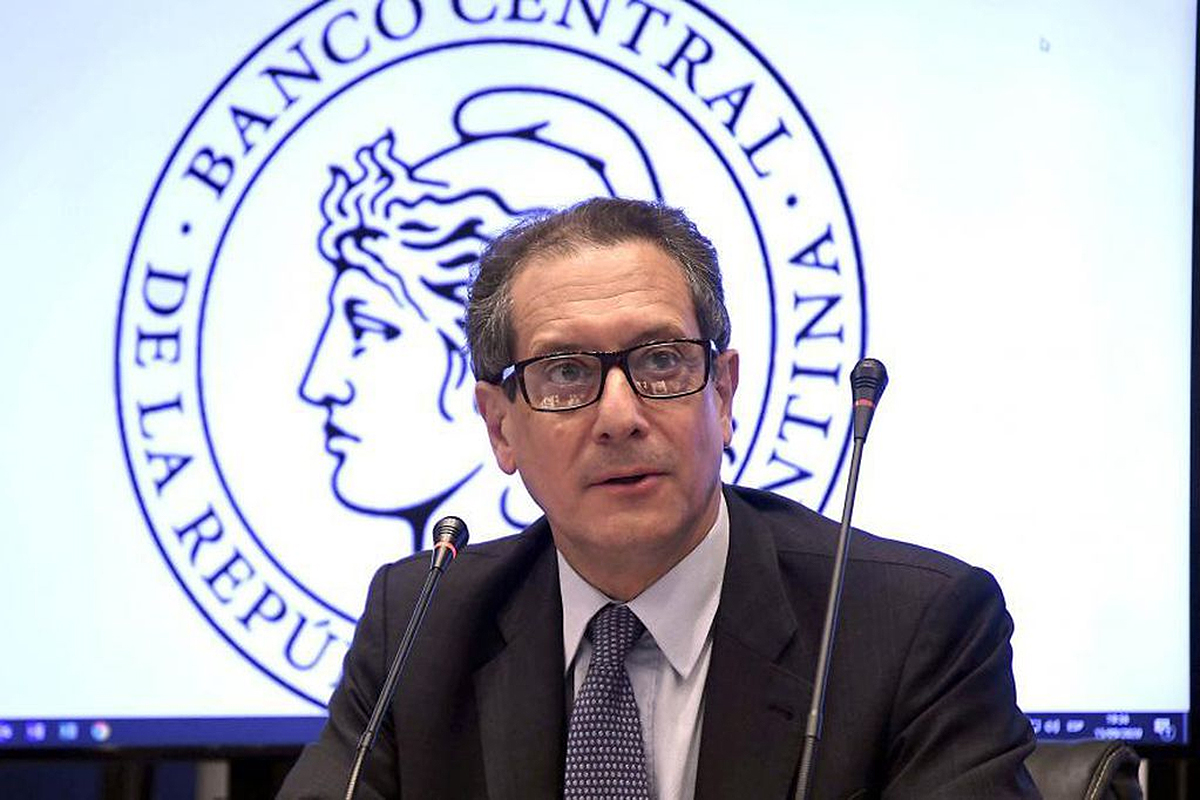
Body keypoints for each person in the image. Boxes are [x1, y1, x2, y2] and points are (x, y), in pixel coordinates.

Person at [279, 198, 1040, 799]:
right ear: (501, 426)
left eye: (661, 361)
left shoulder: (911, 629)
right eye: (566, 372)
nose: (620, 416)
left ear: (723, 394)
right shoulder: (420, 625)